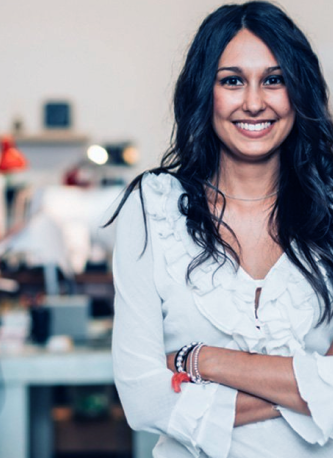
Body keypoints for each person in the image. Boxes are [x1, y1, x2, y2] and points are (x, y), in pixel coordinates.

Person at [109, 2, 333, 457]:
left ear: (299, 91)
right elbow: (143, 399)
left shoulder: (329, 209)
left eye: (274, 80)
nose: (254, 102)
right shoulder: (153, 208)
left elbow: (166, 388)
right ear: (204, 91)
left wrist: (204, 360)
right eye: (232, 80)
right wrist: (311, 388)